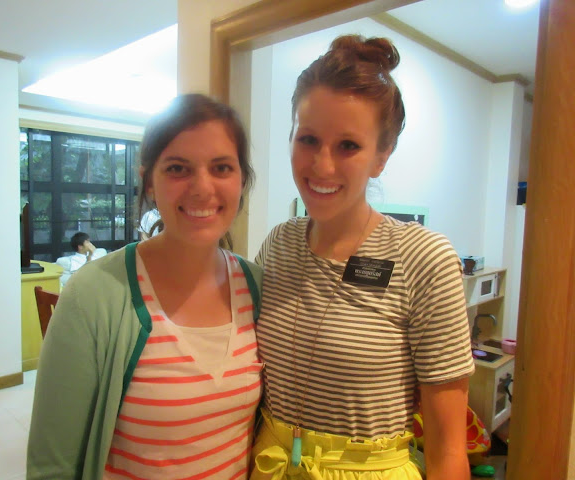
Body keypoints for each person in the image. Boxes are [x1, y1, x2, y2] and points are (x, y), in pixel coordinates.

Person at [251, 35, 474, 479]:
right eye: (308, 139)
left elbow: (448, 451)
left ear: (381, 157)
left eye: (348, 146)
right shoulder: (279, 244)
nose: (323, 165)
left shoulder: (423, 259)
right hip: (270, 464)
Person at [27, 94, 263, 480]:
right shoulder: (93, 295)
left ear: (242, 179)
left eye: (221, 167)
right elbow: (52, 465)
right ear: (149, 182)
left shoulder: (257, 287)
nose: (202, 188)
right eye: (178, 168)